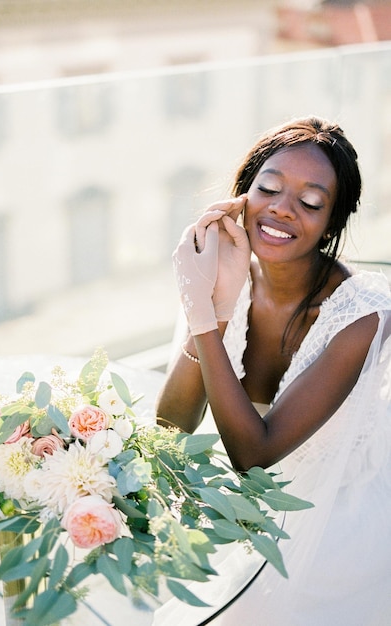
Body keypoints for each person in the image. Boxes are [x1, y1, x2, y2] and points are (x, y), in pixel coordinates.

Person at [155, 117, 391, 625]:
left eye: (310, 202)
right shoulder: (223, 273)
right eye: (269, 188)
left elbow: (253, 455)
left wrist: (201, 314)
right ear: (242, 195)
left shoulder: (362, 315)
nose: (282, 208)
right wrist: (213, 307)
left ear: (332, 222)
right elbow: (173, 422)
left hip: (335, 526)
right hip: (249, 514)